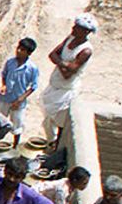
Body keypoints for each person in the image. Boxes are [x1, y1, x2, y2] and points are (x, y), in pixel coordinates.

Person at [39, 14, 95, 143]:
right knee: (48, 117)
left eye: (78, 27)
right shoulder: (70, 39)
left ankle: (57, 145)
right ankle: (50, 142)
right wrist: (64, 64)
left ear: (86, 32)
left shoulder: (85, 50)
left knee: (61, 122)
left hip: (66, 90)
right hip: (55, 84)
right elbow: (52, 54)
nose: (74, 28)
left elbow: (69, 73)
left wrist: (61, 63)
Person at [0, 37, 39, 147]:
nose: (18, 51)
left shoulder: (32, 68)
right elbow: (4, 75)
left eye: (22, 50)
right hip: (5, 98)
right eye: (18, 48)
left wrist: (21, 99)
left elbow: (33, 86)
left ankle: (15, 146)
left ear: (28, 53)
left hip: (18, 101)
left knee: (17, 125)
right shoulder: (10, 62)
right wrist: (4, 85)